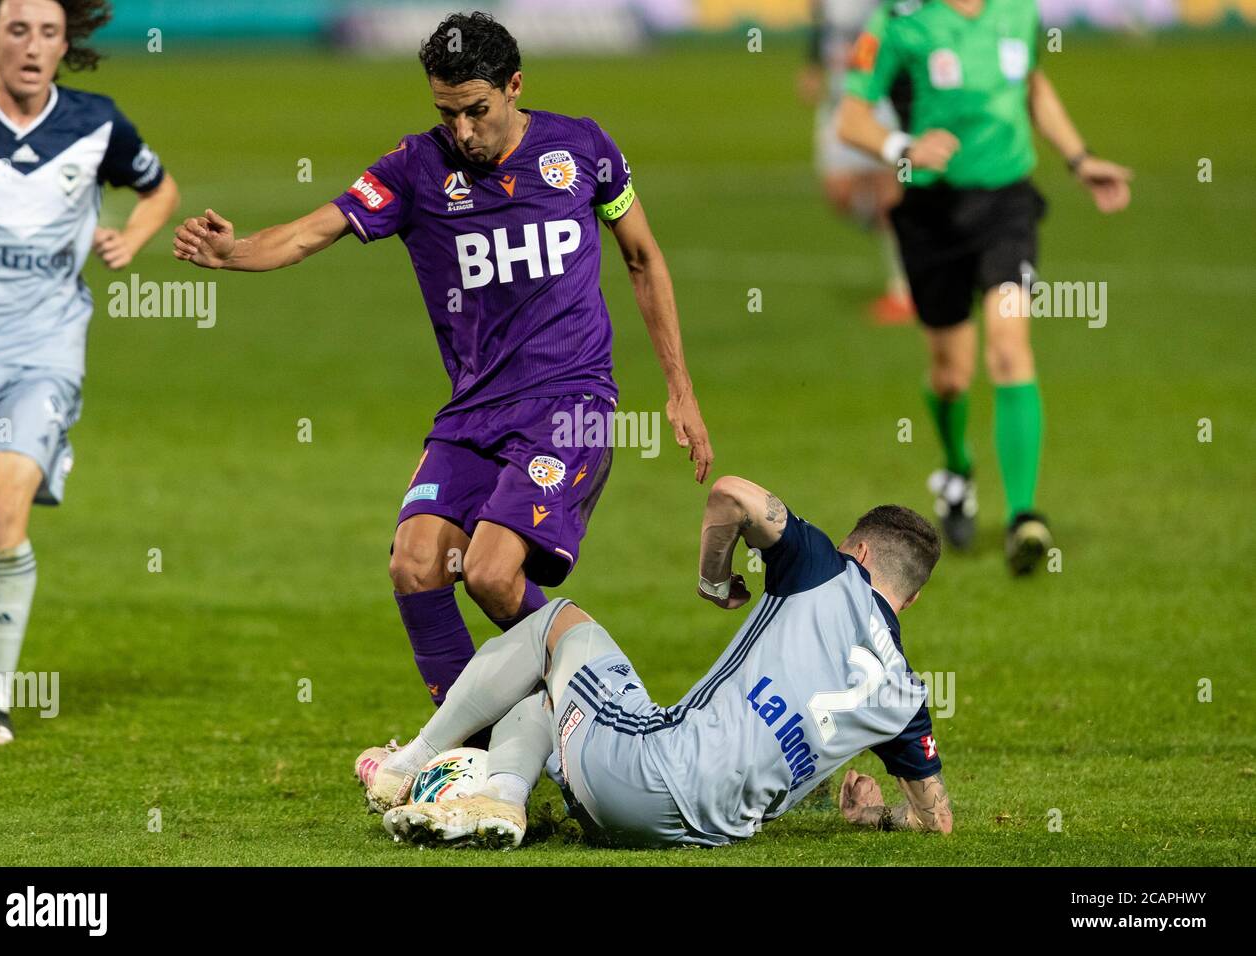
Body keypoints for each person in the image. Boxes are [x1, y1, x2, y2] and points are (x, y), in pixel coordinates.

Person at [173, 12, 714, 713]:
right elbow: (312, 231)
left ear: (515, 87)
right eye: (447, 113)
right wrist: (234, 251)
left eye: (477, 111)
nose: (462, 131)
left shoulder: (582, 149)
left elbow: (642, 256)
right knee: (416, 562)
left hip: (570, 403)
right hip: (474, 412)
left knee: (490, 573)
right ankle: (479, 756)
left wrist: (680, 390)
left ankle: (622, 715)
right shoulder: (416, 167)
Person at [358, 475, 951, 848]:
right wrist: (876, 818)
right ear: (914, 597)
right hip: (699, 834)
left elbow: (732, 494)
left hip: (644, 770)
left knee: (559, 622)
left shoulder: (827, 569)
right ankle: (503, 798)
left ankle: (409, 764)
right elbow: (935, 821)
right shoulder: (904, 698)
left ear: (861, 551)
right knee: (546, 700)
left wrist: (714, 580)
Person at [836, 0, 1132, 572]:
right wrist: (903, 150)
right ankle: (957, 469)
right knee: (950, 376)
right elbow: (851, 117)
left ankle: (1025, 515)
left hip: (1006, 205)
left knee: (1008, 347)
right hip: (931, 214)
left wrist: (1079, 158)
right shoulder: (900, 22)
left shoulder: (1018, 10)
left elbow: (1033, 87)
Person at [0, 0, 179, 744]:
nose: (32, 45)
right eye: (17, 30)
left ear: (64, 44)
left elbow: (160, 189)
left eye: (48, 32)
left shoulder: (97, 122)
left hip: (40, 356)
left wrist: (134, 238)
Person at [797, 0, 915, 324]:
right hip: (837, 98)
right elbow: (822, 21)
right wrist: (812, 65)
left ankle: (903, 291)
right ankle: (913, 236)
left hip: (876, 96)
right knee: (839, 193)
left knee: (889, 192)